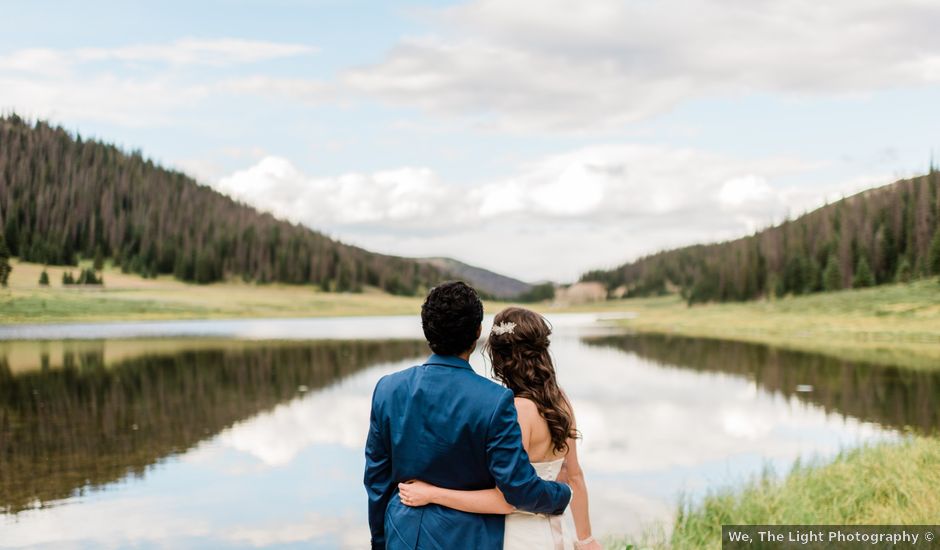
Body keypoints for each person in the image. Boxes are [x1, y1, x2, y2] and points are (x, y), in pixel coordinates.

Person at [364, 282, 572, 550]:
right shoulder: (495, 401)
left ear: (427, 330)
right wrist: (561, 494)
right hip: (467, 539)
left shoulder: (387, 388)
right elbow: (518, 488)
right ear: (477, 332)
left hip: (401, 534)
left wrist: (380, 541)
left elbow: (376, 480)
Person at [398, 307, 601, 550]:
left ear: (500, 358)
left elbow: (506, 500)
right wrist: (586, 538)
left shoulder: (514, 411)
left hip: (517, 538)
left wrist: (432, 494)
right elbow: (574, 476)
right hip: (557, 532)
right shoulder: (561, 401)